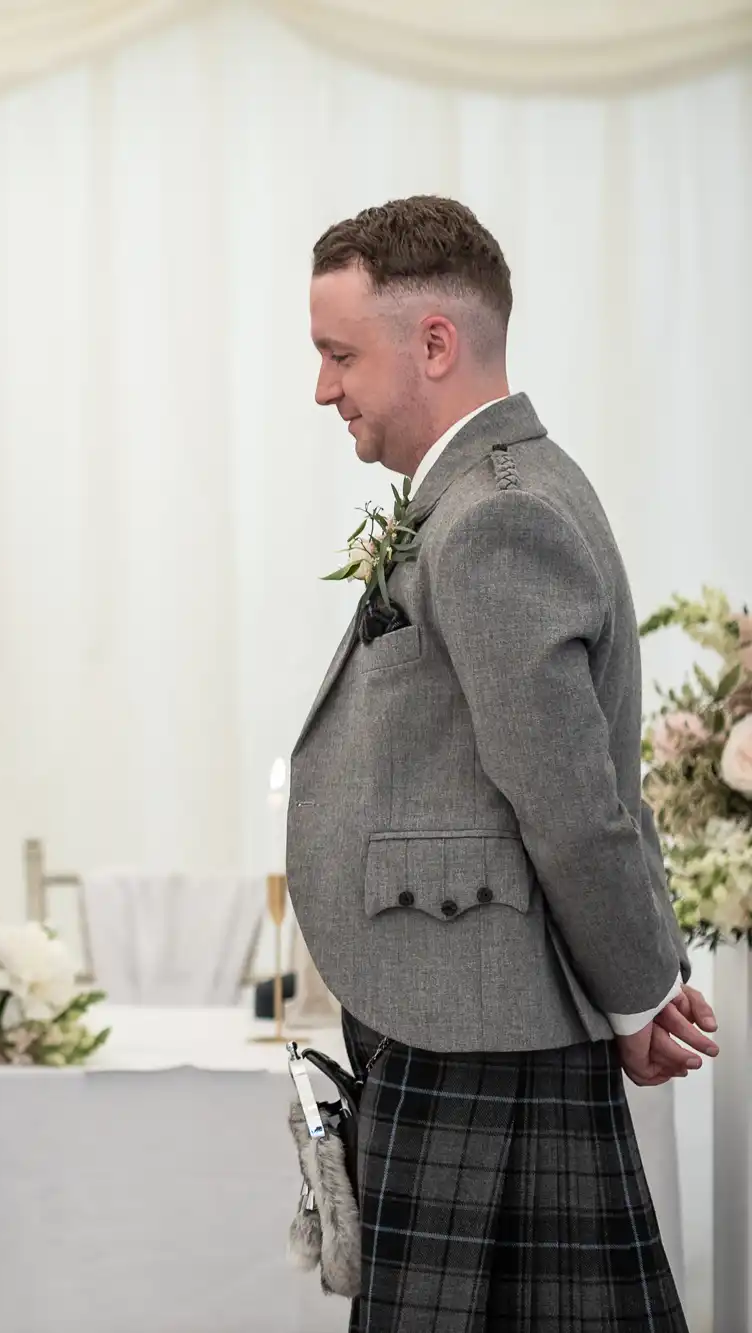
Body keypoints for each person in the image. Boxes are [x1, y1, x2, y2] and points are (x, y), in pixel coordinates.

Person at [291, 194, 718, 1331]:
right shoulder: (485, 490)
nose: (322, 388)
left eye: (338, 355)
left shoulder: (493, 516)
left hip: (479, 1022)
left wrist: (635, 987)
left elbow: (572, 800)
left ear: (432, 343)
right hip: (467, 1008)